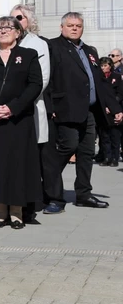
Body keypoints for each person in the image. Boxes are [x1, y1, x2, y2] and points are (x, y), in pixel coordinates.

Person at [43, 12, 123, 214]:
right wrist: (50, 107)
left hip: (89, 112)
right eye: (70, 25)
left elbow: (100, 83)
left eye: (78, 25)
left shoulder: (90, 51)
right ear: (62, 27)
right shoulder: (53, 47)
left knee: (86, 153)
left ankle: (83, 194)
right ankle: (52, 192)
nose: (74, 28)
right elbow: (47, 80)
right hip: (65, 108)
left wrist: (115, 108)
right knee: (67, 147)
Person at [0, 16, 43, 229]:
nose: (3, 31)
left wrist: (13, 108)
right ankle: (0, 212)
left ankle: (17, 212)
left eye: (7, 28)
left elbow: (35, 85)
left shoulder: (28, 55)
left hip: (18, 120)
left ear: (18, 32)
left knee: (17, 165)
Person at [10, 4, 53, 221]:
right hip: (6, 112)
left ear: (29, 20)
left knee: (31, 159)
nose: (15, 21)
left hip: (30, 108)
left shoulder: (38, 44)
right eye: (11, 18)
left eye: (19, 17)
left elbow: (42, 80)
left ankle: (30, 204)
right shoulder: (3, 42)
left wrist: (18, 102)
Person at [98, 57, 123, 167]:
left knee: (115, 136)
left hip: (115, 110)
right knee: (104, 136)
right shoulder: (98, 78)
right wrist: (104, 106)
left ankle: (115, 158)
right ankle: (107, 157)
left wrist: (112, 107)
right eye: (101, 66)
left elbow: (120, 94)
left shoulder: (116, 77)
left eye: (105, 65)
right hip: (103, 111)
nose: (103, 68)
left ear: (110, 66)